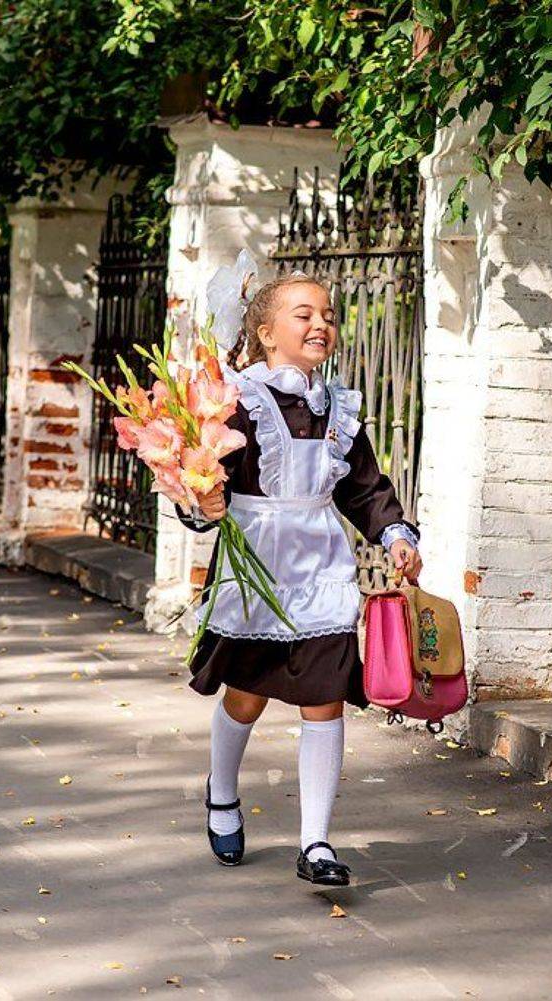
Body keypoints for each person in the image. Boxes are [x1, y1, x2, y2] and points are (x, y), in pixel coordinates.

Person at [181, 268, 422, 887]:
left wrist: (394, 534)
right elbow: (202, 479)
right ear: (265, 333)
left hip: (321, 565)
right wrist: (202, 502)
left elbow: (363, 487)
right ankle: (222, 791)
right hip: (256, 564)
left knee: (325, 697)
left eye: (329, 316)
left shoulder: (339, 408)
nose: (321, 325)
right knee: (247, 695)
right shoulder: (236, 401)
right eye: (305, 315)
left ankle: (315, 841)